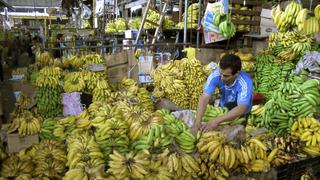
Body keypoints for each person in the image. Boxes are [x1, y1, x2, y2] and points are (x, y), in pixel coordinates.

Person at [191, 54, 253, 133]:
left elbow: (242, 108)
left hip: (240, 113)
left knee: (237, 136)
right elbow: (204, 98)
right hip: (224, 108)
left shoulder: (245, 82)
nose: (222, 78)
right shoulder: (215, 75)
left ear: (237, 73)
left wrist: (216, 121)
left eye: (226, 76)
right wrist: (197, 122)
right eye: (221, 73)